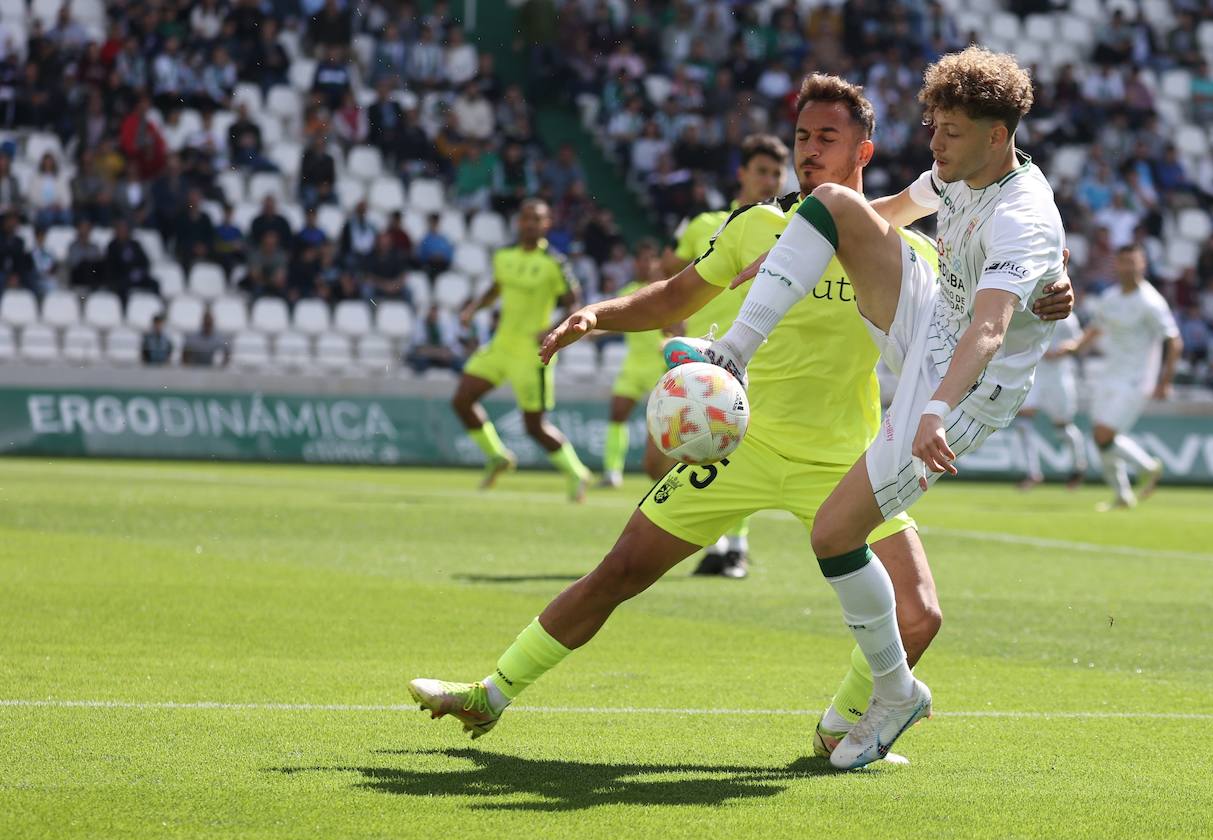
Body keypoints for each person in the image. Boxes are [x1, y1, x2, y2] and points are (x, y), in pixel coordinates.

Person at [409, 72, 1074, 767]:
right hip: (744, 442)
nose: (808, 150)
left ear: (864, 151)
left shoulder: (906, 251)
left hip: (840, 453)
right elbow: (674, 290)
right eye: (800, 137)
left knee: (921, 614)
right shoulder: (759, 225)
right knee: (621, 569)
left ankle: (841, 726)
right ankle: (492, 692)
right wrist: (600, 314)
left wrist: (1048, 288)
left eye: (827, 138)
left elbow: (985, 293)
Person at [664, 49, 1070, 767]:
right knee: (830, 204)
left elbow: (992, 329)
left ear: (997, 132)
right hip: (932, 319)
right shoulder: (957, 170)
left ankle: (893, 691)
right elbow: (877, 214)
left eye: (950, 130)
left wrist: (937, 409)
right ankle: (730, 354)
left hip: (968, 384)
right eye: (933, 125)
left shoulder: (1025, 215)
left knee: (832, 533)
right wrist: (803, 246)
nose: (934, 143)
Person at [661, 132, 788, 578]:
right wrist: (671, 318)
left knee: (732, 447)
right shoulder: (704, 224)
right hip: (699, 348)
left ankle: (733, 546)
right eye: (761, 171)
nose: (770, 180)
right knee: (673, 454)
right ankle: (716, 544)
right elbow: (668, 268)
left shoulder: (787, 228)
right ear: (741, 174)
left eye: (776, 172)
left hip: (752, 355)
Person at [454, 198, 592, 501]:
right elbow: (496, 288)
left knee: (534, 427)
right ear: (519, 222)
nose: (530, 223)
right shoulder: (503, 256)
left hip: (532, 353)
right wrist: (473, 308)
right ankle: (496, 455)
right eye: (526, 218)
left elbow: (574, 302)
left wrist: (555, 326)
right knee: (462, 399)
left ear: (547, 224)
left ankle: (576, 472)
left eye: (537, 219)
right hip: (501, 345)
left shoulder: (555, 262)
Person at [1057, 243, 1181, 511]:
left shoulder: (1151, 302)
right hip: (1110, 373)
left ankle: (1148, 466)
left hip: (1138, 379)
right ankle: (1123, 495)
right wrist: (1075, 347)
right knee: (1101, 438)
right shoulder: (1111, 297)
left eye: (1133, 261)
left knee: (1104, 435)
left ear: (1143, 264)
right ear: (1117, 265)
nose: (1128, 267)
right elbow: (1096, 329)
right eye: (1123, 261)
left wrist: (1165, 381)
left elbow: (1174, 342)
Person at [599, 240, 671, 489]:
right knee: (617, 412)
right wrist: (591, 329)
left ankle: (666, 472)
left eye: (650, 259)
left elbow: (676, 325)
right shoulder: (629, 289)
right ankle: (612, 472)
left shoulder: (666, 290)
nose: (644, 264)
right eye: (640, 259)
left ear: (657, 262)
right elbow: (619, 320)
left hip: (658, 366)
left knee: (661, 425)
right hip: (632, 365)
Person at [1014, 312, 1088, 490]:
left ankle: (1079, 466)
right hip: (1035, 374)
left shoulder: (1068, 318)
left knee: (1063, 427)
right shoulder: (1031, 313)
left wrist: (1065, 349)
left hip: (1059, 376)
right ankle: (1033, 473)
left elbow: (1077, 342)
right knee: (1023, 421)